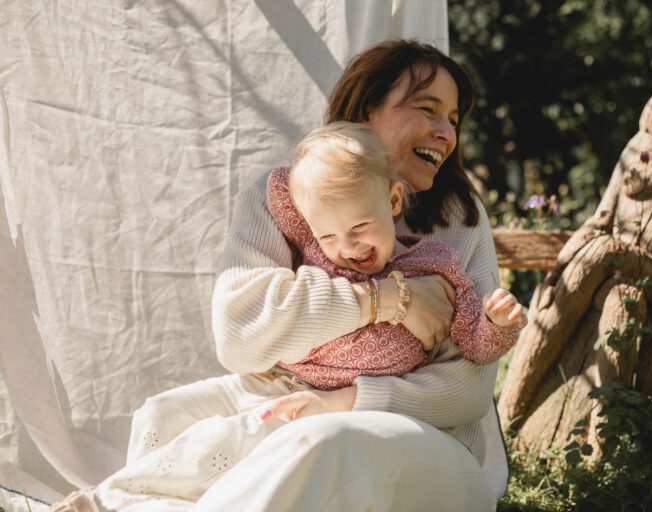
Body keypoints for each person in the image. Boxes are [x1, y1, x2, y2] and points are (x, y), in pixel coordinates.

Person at [50, 39, 524, 512]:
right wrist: (385, 299)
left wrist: (343, 401)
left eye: (454, 119)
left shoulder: (460, 219)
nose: (447, 132)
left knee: (319, 439)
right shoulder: (284, 197)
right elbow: (239, 337)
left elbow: (467, 390)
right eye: (428, 109)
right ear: (365, 110)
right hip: (290, 389)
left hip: (425, 435)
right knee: (166, 414)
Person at [268, 121, 525, 392]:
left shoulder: (433, 263)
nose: (347, 247)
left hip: (379, 403)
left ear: (393, 200)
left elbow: (475, 345)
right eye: (328, 236)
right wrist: (319, 163)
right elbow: (278, 185)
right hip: (296, 384)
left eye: (359, 226)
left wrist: (498, 324)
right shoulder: (315, 247)